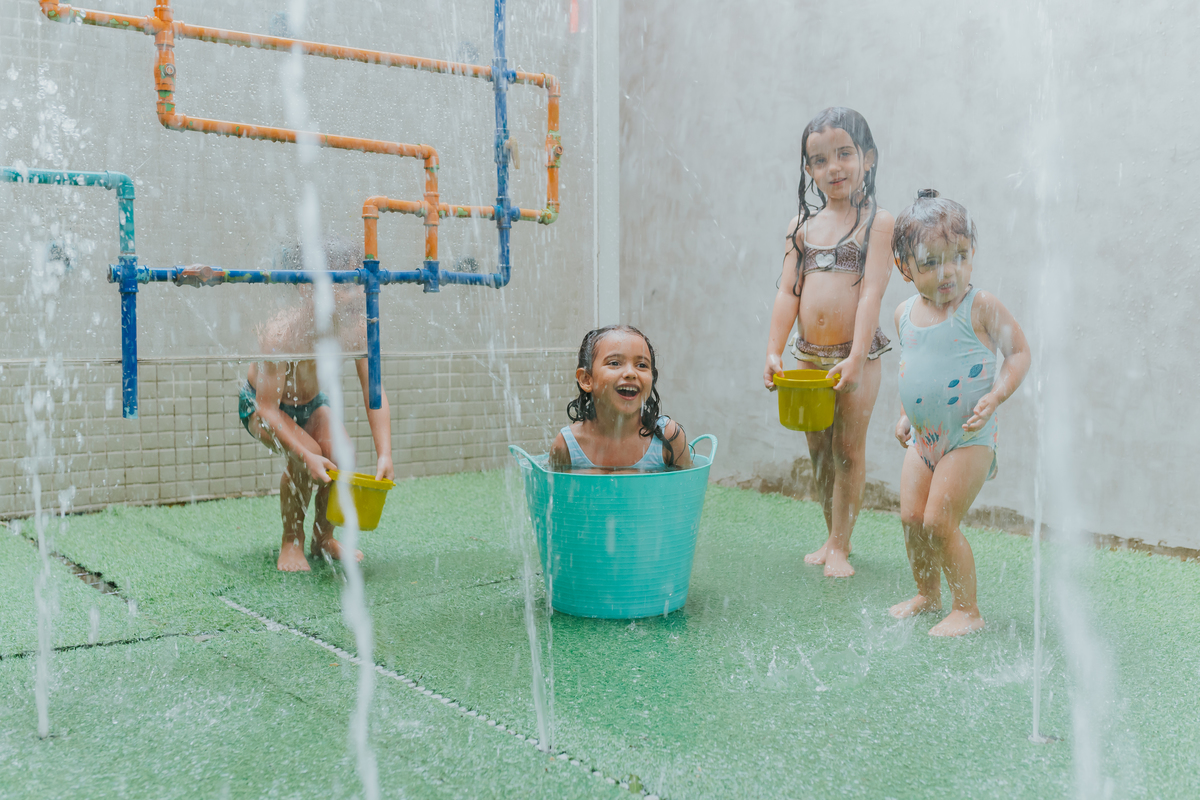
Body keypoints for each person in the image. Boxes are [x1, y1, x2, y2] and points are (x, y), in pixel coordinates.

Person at [888, 190, 1030, 636]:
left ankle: (967, 609)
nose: (948, 272)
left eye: (959, 257)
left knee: (939, 521)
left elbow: (1020, 354)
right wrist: (907, 415)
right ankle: (926, 594)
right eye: (930, 262)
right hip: (924, 438)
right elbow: (915, 370)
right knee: (912, 519)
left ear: (972, 253)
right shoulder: (904, 314)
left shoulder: (980, 306)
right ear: (905, 268)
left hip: (969, 438)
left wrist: (996, 397)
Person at [762, 107, 895, 578]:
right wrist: (774, 349)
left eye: (844, 154)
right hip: (807, 357)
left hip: (857, 355)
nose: (833, 167)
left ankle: (841, 545)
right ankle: (831, 535)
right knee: (818, 450)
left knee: (847, 450)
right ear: (808, 170)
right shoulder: (802, 226)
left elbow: (872, 292)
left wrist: (857, 357)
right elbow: (786, 292)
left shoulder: (878, 223)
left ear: (869, 158)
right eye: (820, 160)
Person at [238, 239, 394, 572]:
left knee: (340, 455)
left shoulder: (356, 329)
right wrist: (305, 453)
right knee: (305, 455)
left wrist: (385, 453)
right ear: (307, 290)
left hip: (311, 402)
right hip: (263, 405)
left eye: (354, 282)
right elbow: (266, 409)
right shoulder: (281, 335)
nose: (353, 293)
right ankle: (290, 541)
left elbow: (374, 392)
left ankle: (323, 537)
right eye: (342, 285)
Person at [550, 325, 692, 472]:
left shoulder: (667, 437)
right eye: (614, 363)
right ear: (587, 379)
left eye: (642, 365)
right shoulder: (568, 445)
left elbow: (689, 491)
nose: (631, 373)